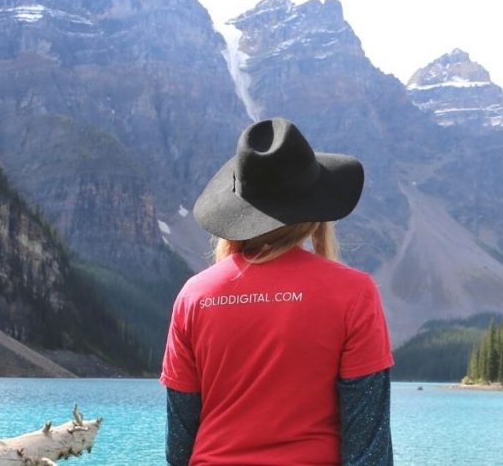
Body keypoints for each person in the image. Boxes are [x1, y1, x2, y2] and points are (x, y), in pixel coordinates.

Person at [161, 117, 394, 465]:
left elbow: (179, 444)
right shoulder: (354, 293)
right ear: (315, 210)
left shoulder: (194, 296)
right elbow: (368, 450)